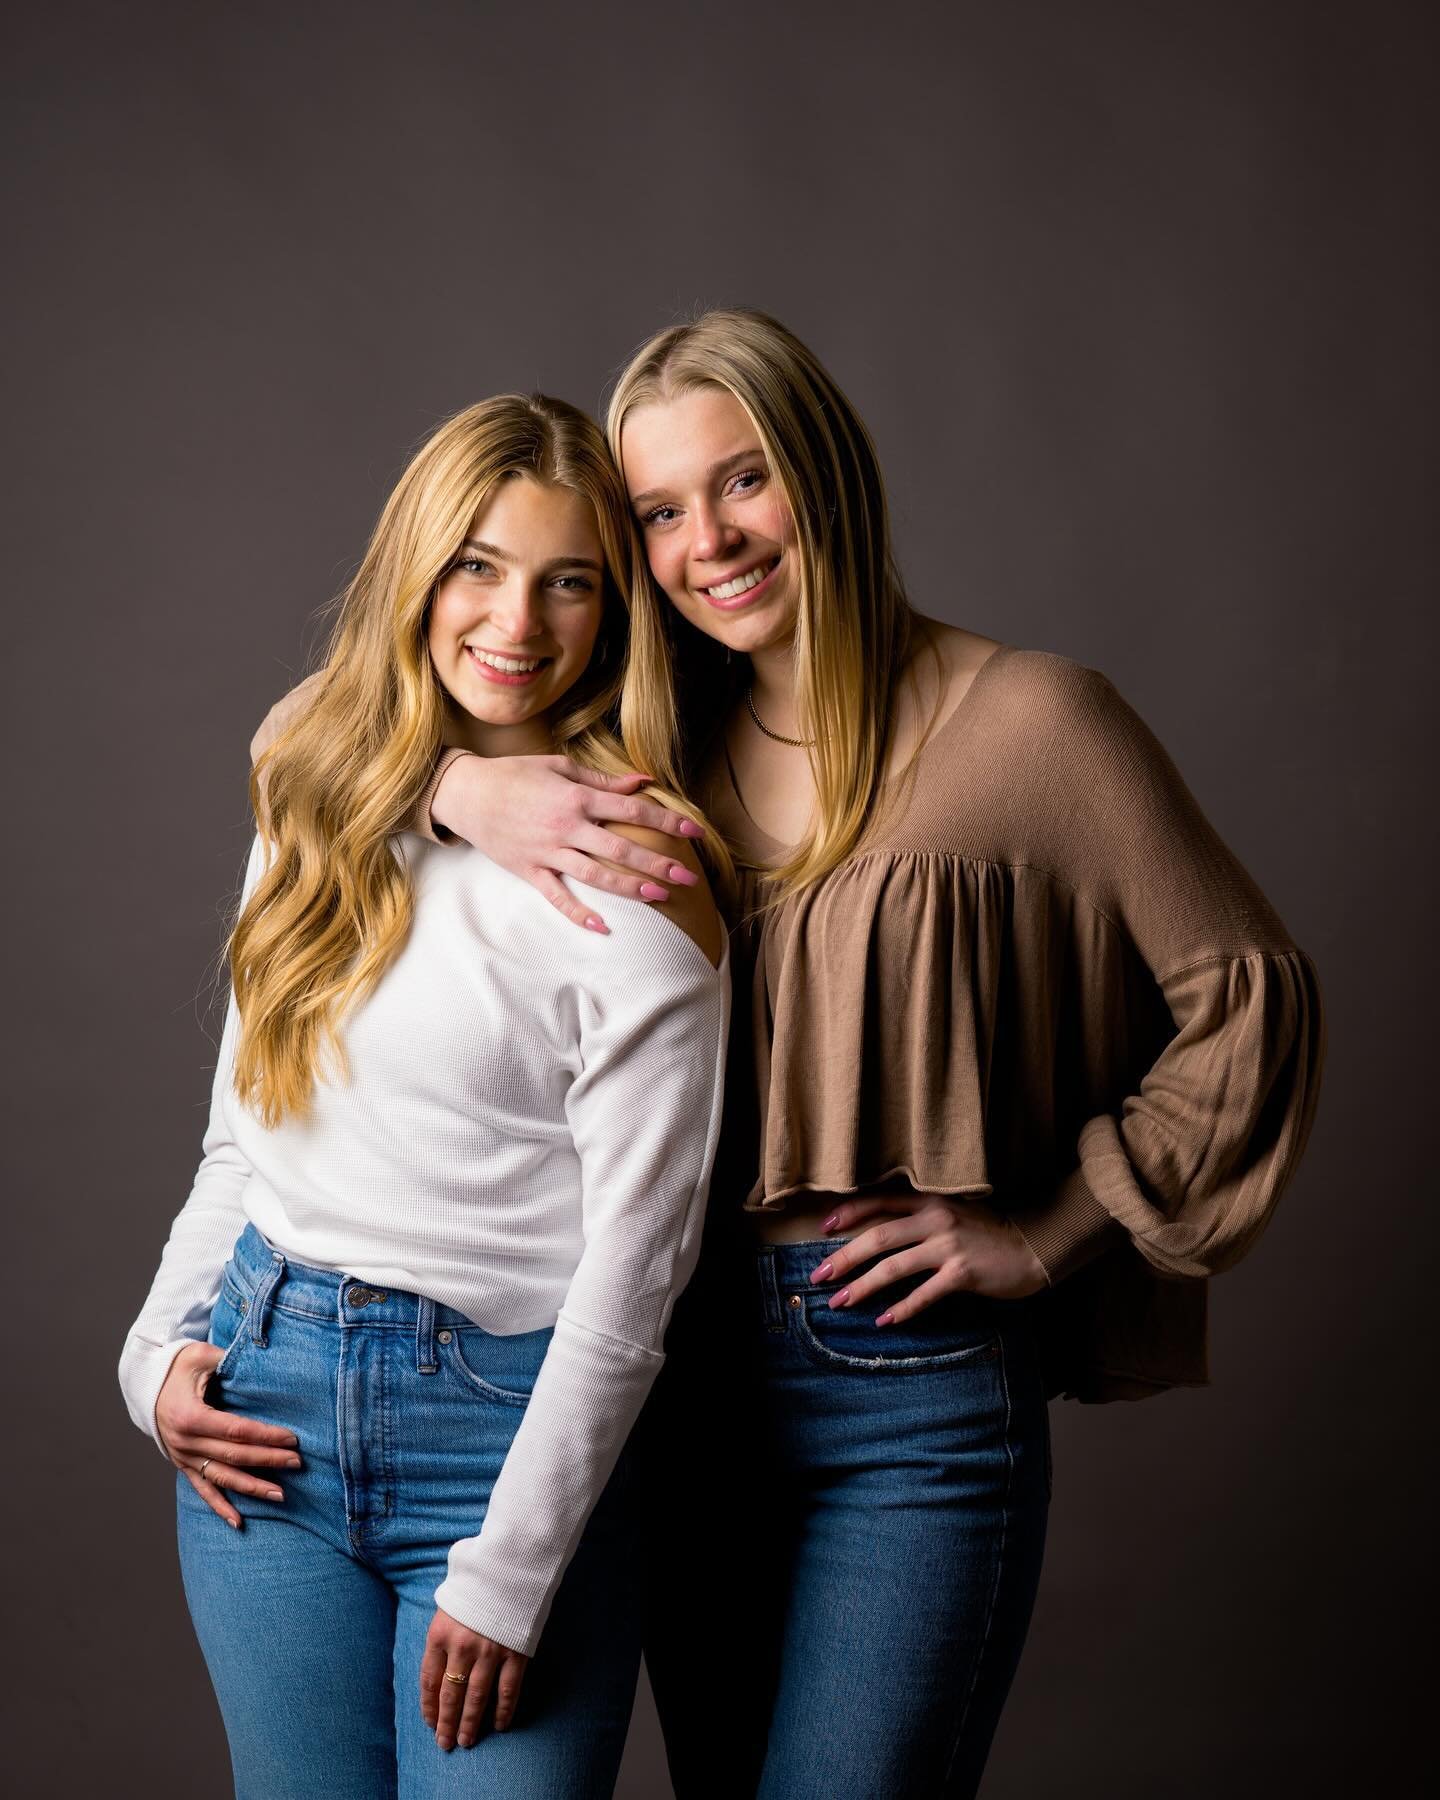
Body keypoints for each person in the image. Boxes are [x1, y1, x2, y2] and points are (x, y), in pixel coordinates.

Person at [389, 310, 1326, 1799]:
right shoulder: (640, 741)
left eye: (744, 478)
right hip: (663, 1375)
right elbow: (305, 742)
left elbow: (1253, 996)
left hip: (905, 1391)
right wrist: (458, 789)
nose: (710, 537)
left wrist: (1049, 1230)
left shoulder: (1034, 720)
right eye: (658, 511)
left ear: (825, 467)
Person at [118, 393, 729, 1800]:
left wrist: (514, 1574)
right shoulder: (322, 808)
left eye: (570, 580)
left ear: (614, 610)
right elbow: (245, 1138)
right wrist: (151, 1360)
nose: (517, 621)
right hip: (268, 1415)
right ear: (418, 573)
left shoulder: (641, 874)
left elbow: (639, 1278)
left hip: (504, 1442)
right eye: (478, 565)